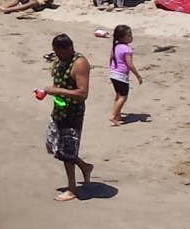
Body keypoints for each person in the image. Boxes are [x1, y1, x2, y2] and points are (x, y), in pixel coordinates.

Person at [40, 33, 94, 200]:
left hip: (73, 113)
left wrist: (56, 91)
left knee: (66, 152)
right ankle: (85, 167)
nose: (58, 55)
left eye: (61, 52)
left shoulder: (79, 63)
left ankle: (72, 189)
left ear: (69, 48)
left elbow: (83, 93)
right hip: (59, 110)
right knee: (55, 145)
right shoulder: (58, 61)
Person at [105, 24, 141, 126]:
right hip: (121, 76)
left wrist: (111, 69)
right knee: (123, 97)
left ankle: (118, 114)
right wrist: (138, 75)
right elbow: (130, 64)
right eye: (129, 35)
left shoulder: (115, 46)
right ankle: (113, 115)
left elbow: (111, 58)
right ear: (122, 37)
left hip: (113, 74)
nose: (131, 37)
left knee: (118, 95)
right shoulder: (126, 49)